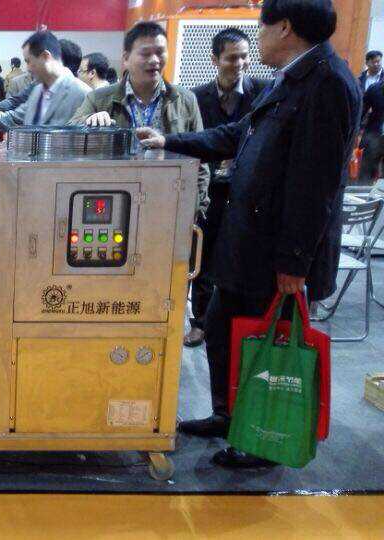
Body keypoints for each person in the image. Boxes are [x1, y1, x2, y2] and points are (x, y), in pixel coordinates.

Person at [138, 0, 360, 468]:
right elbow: (239, 133)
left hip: (277, 254)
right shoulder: (287, 79)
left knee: (271, 349)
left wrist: (294, 263)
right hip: (246, 243)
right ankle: (228, 414)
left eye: (260, 30)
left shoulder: (328, 84)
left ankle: (264, 440)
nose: (256, 40)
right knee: (221, 330)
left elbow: (317, 185)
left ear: (284, 28)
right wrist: (170, 141)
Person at [184, 28, 269, 348]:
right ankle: (200, 322)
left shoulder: (263, 92)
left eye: (245, 57)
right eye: (232, 58)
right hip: (210, 190)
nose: (240, 64)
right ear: (215, 59)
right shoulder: (197, 97)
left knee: (244, 254)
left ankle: (240, 323)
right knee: (202, 256)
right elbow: (196, 140)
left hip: (248, 191)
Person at [72, 22, 209, 213]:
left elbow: (200, 158)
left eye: (160, 52)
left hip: (169, 202)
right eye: (145, 53)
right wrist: (90, 120)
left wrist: (198, 207)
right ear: (126, 58)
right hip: (115, 202)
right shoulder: (99, 99)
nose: (154, 60)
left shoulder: (185, 99)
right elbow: (71, 130)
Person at [0, 31, 89, 132]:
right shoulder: (38, 92)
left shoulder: (82, 94)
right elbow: (10, 119)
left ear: (46, 57)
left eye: (29, 61)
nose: (28, 68)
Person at [360, 80, 384, 184]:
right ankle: (363, 190)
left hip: (374, 135)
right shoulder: (374, 89)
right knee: (366, 173)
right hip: (374, 136)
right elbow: (361, 112)